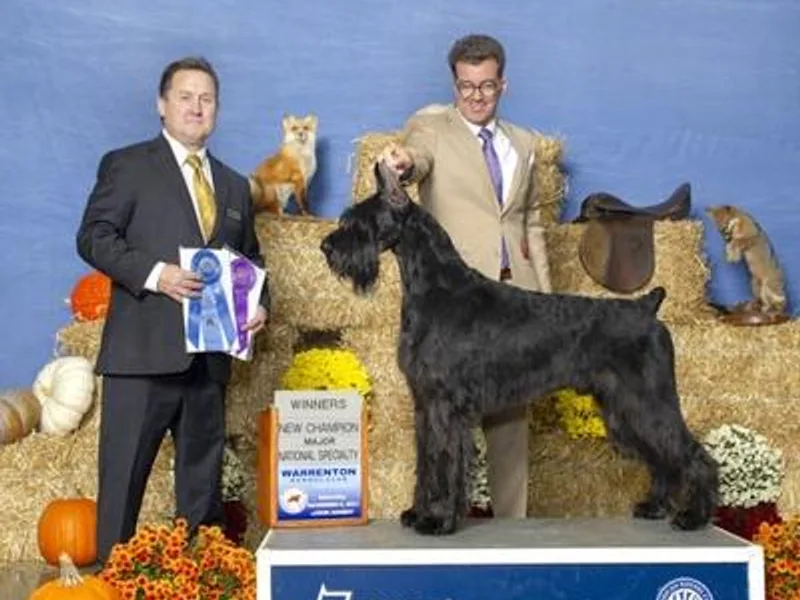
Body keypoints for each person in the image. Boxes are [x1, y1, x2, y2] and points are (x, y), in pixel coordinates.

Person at [76, 56, 269, 563]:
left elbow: (250, 258)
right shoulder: (128, 165)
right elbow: (93, 237)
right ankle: (106, 585)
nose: (196, 107)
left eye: (206, 98)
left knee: (201, 494)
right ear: (162, 106)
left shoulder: (232, 185)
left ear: (217, 111)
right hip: (141, 356)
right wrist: (155, 274)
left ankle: (202, 581)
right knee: (122, 484)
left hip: (208, 361)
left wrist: (257, 304)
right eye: (185, 96)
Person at [382, 34, 552, 519]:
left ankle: (512, 528)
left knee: (511, 423)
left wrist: (544, 296)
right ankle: (440, 507)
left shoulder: (525, 143)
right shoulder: (431, 129)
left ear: (504, 84)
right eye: (466, 86)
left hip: (516, 297)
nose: (476, 96)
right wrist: (402, 163)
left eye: (487, 86)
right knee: (441, 413)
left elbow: (531, 225)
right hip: (456, 300)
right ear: (454, 83)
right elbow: (415, 158)